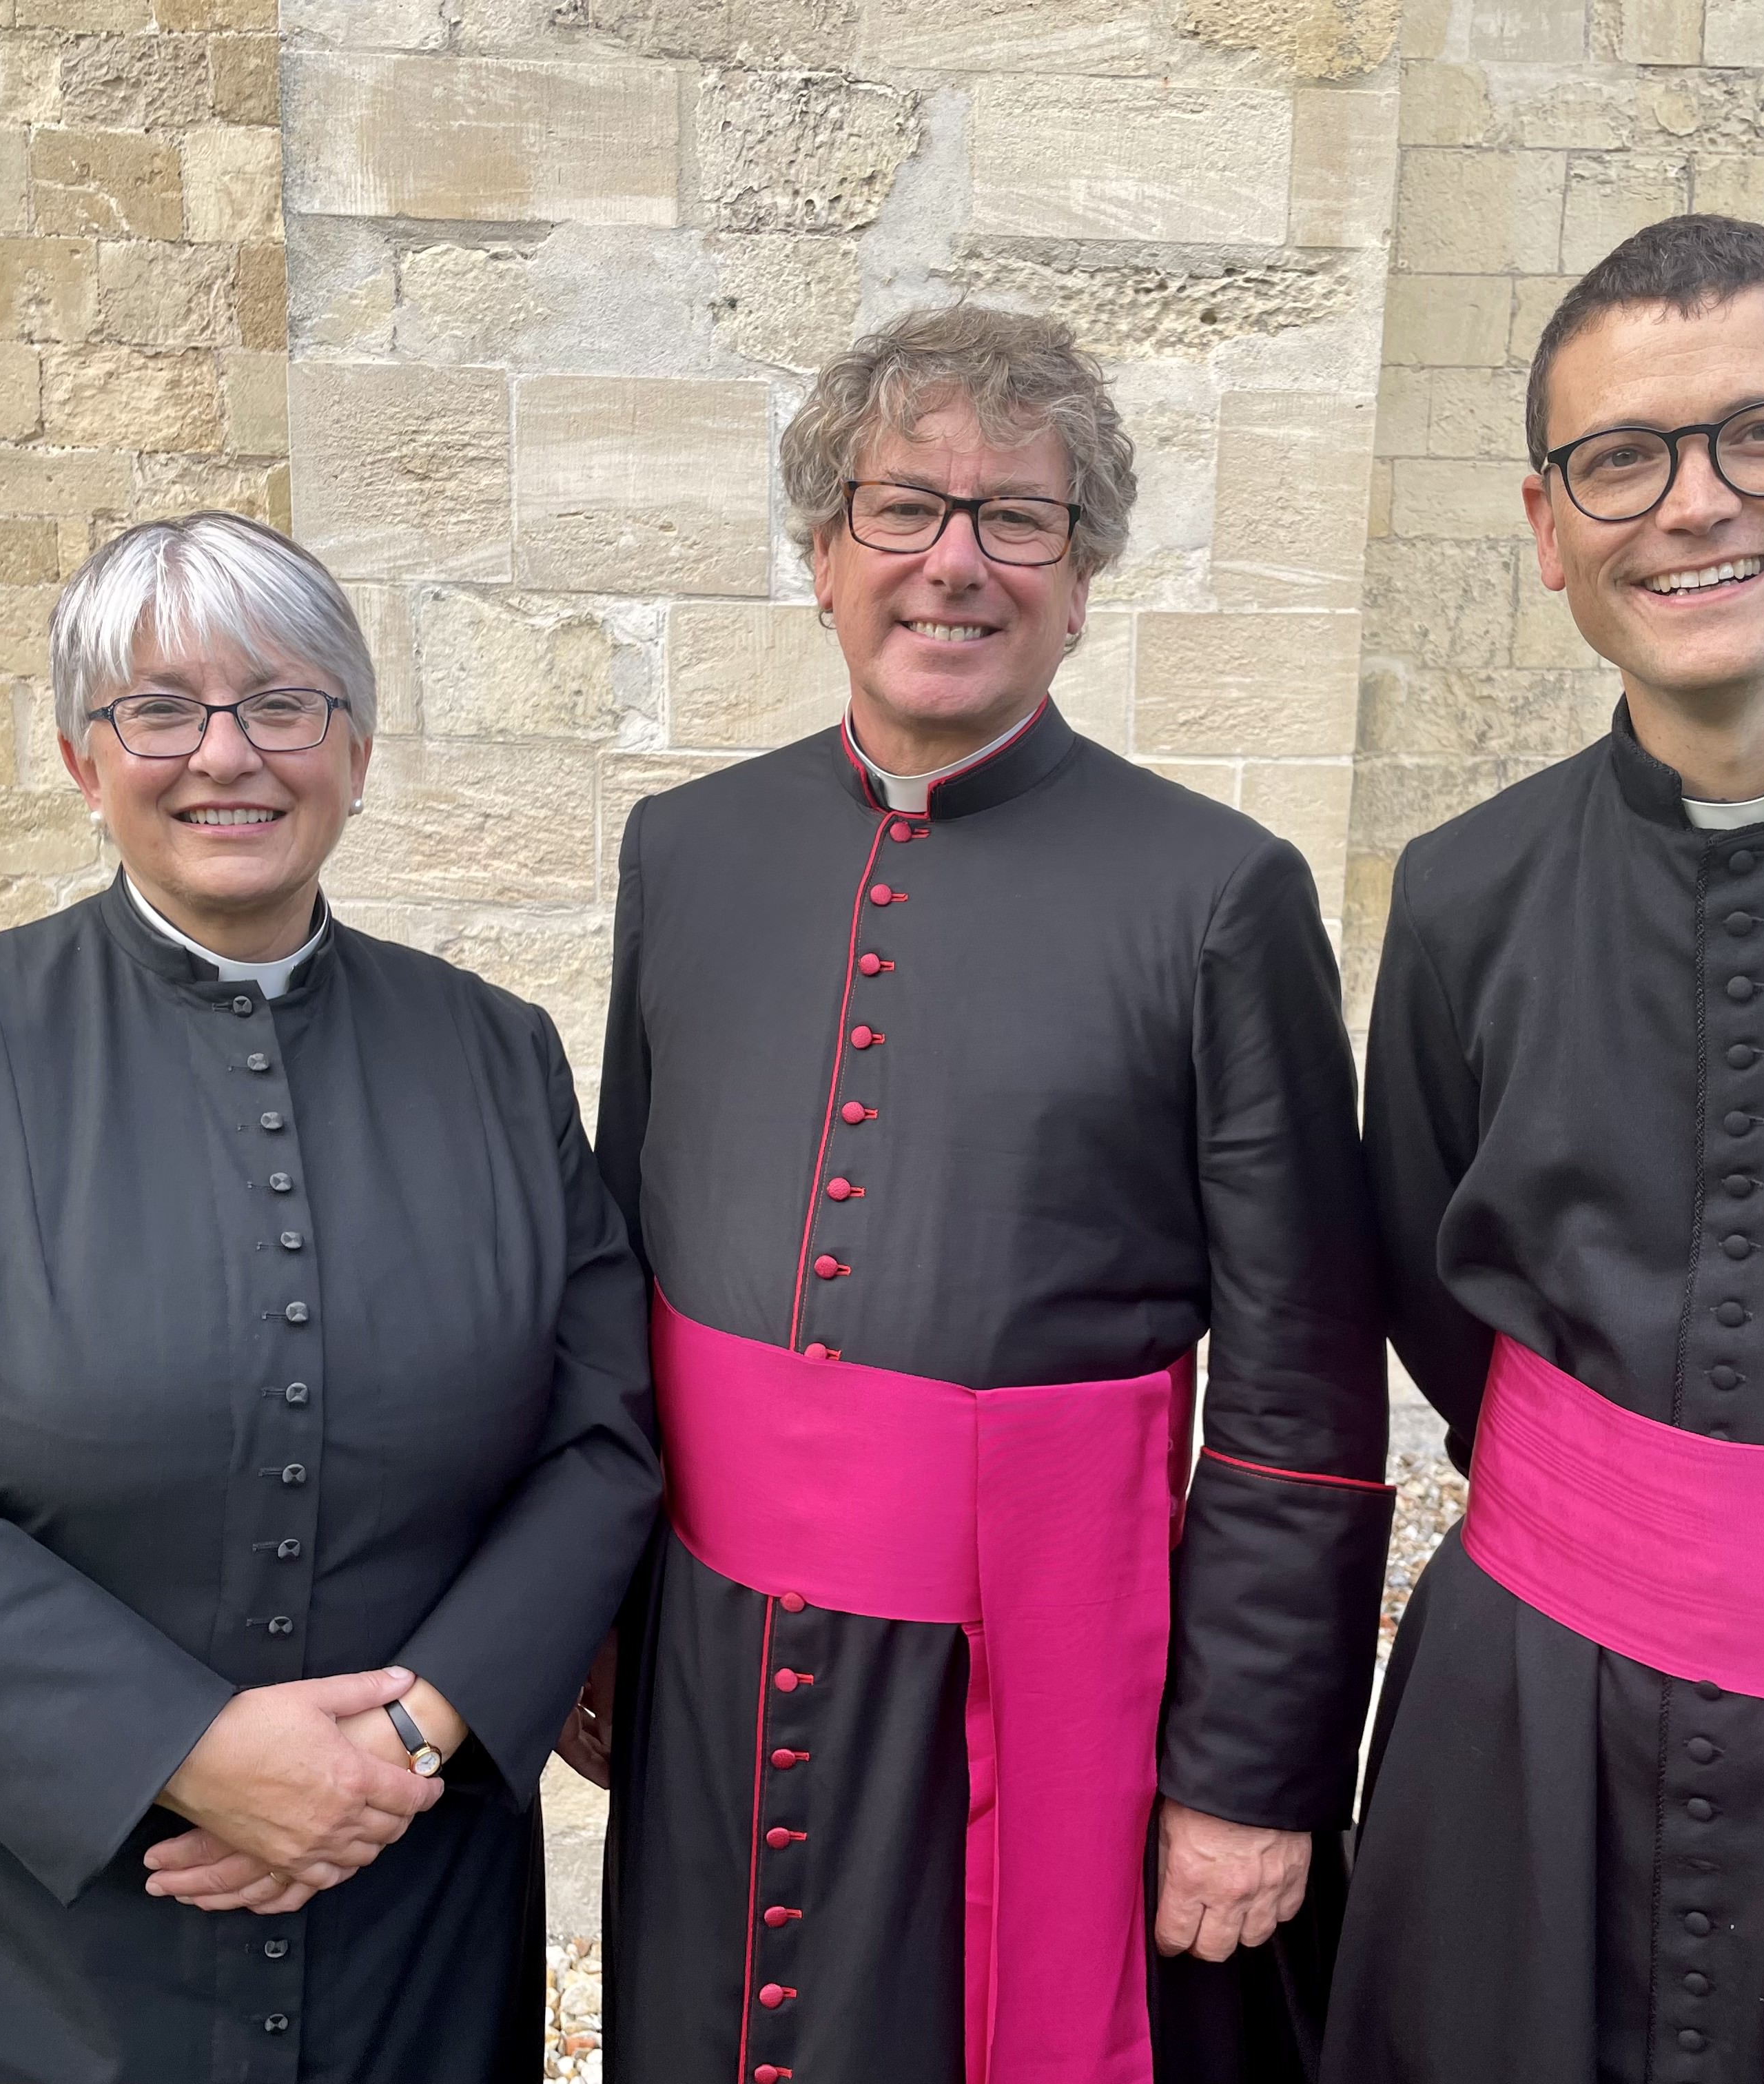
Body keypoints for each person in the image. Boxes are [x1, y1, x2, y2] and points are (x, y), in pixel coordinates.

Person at [571, 303, 1393, 2083]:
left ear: (1083, 581)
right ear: (819, 558)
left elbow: (1300, 1397)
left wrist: (1249, 1778)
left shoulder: (1217, 894)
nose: (955, 563)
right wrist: (597, 1624)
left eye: (1018, 521)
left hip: (1033, 1672)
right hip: (713, 1654)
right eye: (901, 511)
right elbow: (612, 1283)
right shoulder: (688, 851)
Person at [1325, 214, 1764, 2084]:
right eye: (1624, 458)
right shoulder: (1465, 894)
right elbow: (1422, 1279)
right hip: (1530, 1720)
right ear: (1551, 534)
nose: (1697, 505)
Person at [0, 511, 664, 2084]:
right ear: (81, 758)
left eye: (282, 703)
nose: (226, 755)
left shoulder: (494, 1051)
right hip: (40, 1936)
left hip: (417, 1905)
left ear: (357, 746)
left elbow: (603, 1433)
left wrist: (408, 1744)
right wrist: (182, 1751)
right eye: (160, 710)